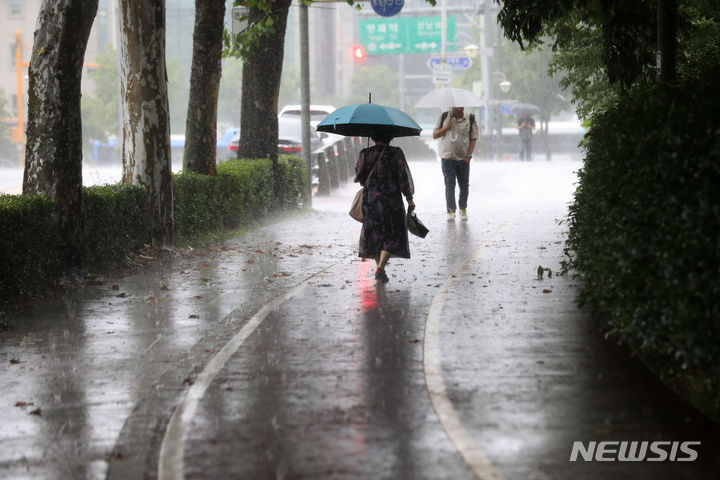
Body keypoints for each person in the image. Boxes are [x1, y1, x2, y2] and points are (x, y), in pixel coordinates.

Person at [354, 128, 415, 283]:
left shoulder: (365, 153)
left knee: (375, 234)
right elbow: (403, 178)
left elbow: (359, 178)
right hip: (392, 201)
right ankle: (380, 267)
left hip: (372, 201)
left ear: (373, 137)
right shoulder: (396, 153)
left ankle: (380, 267)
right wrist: (409, 198)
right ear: (390, 137)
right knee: (391, 234)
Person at [433, 107, 478, 221]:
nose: (459, 109)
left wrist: (469, 155)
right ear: (452, 106)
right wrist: (446, 128)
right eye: (456, 107)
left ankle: (463, 208)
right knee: (449, 184)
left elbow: (473, 138)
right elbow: (435, 135)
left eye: (461, 106)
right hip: (447, 158)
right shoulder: (443, 117)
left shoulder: (470, 118)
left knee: (464, 186)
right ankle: (451, 211)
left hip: (463, 158)